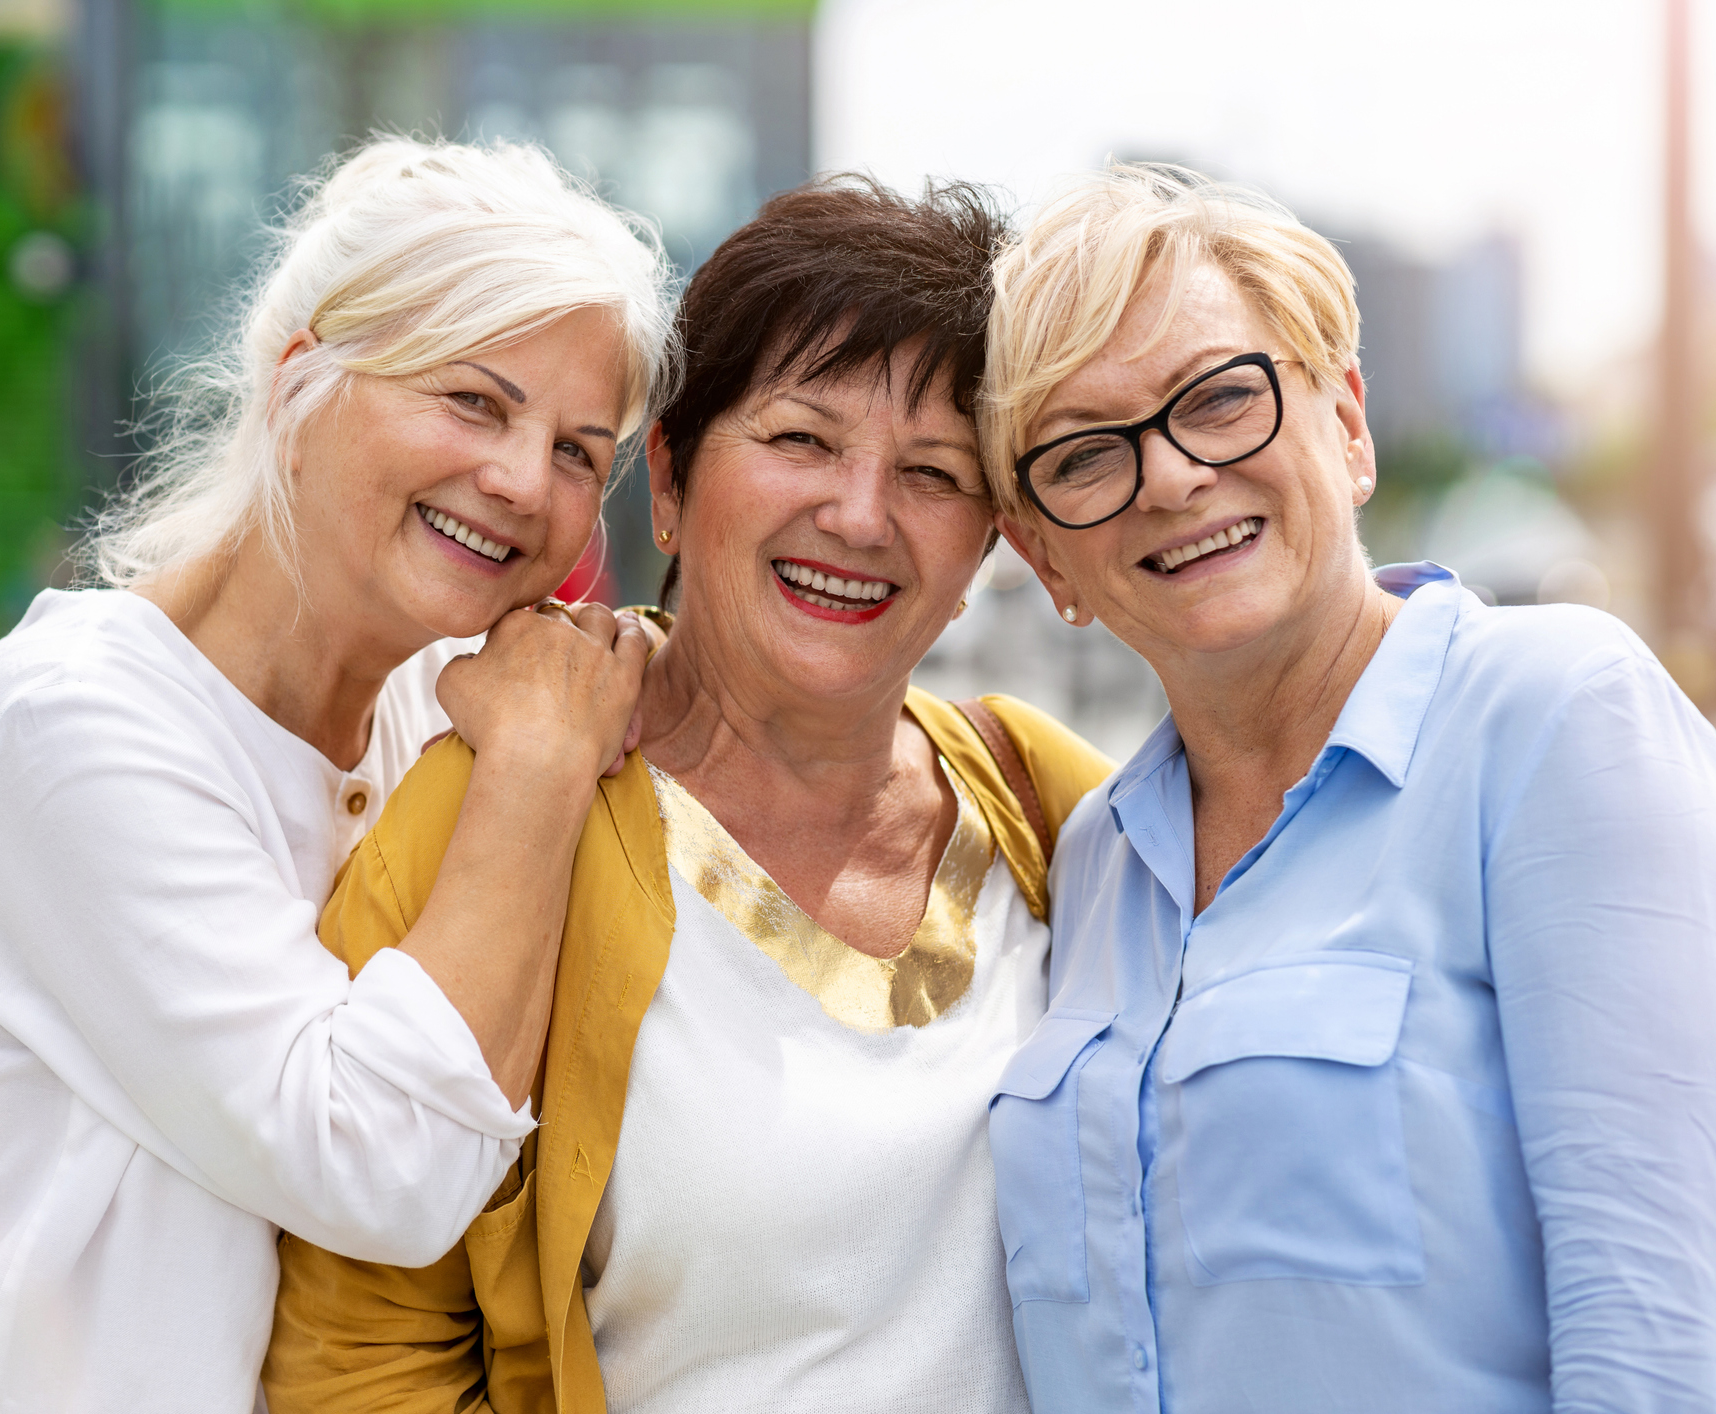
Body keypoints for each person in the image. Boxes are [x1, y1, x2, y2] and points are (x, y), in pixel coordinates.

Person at [0, 138, 674, 1414]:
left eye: (579, 450)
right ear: (299, 379)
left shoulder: (430, 718)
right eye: (473, 401)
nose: (520, 480)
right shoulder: (71, 727)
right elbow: (383, 1171)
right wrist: (539, 763)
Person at [262, 178, 1114, 1414]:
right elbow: (359, 1352)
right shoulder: (502, 801)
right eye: (801, 440)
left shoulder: (1043, 796)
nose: (860, 513)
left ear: (987, 546)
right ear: (667, 476)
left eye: (932, 472)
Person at [980, 163, 1716, 1413]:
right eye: (1087, 455)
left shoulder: (1553, 723)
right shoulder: (1095, 859)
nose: (1168, 476)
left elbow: (1675, 1343)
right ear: (1047, 556)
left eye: (1218, 399)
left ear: (1349, 426)